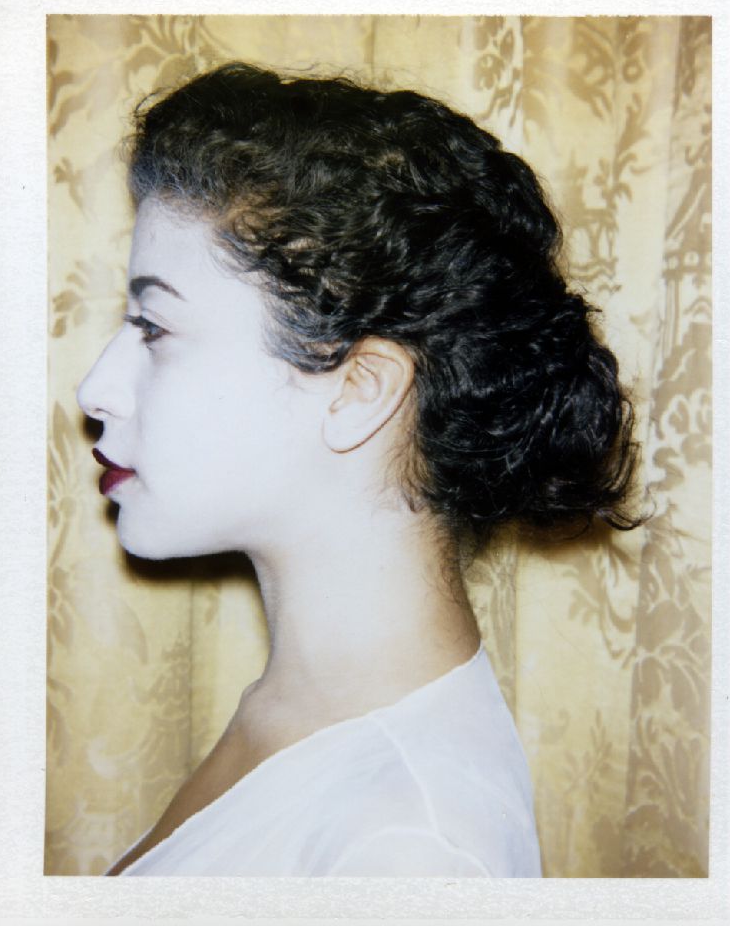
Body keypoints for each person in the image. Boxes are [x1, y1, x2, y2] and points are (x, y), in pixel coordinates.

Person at [76, 62, 638, 877]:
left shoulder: (407, 847)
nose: (97, 389)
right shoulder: (308, 709)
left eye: (154, 327)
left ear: (359, 391)